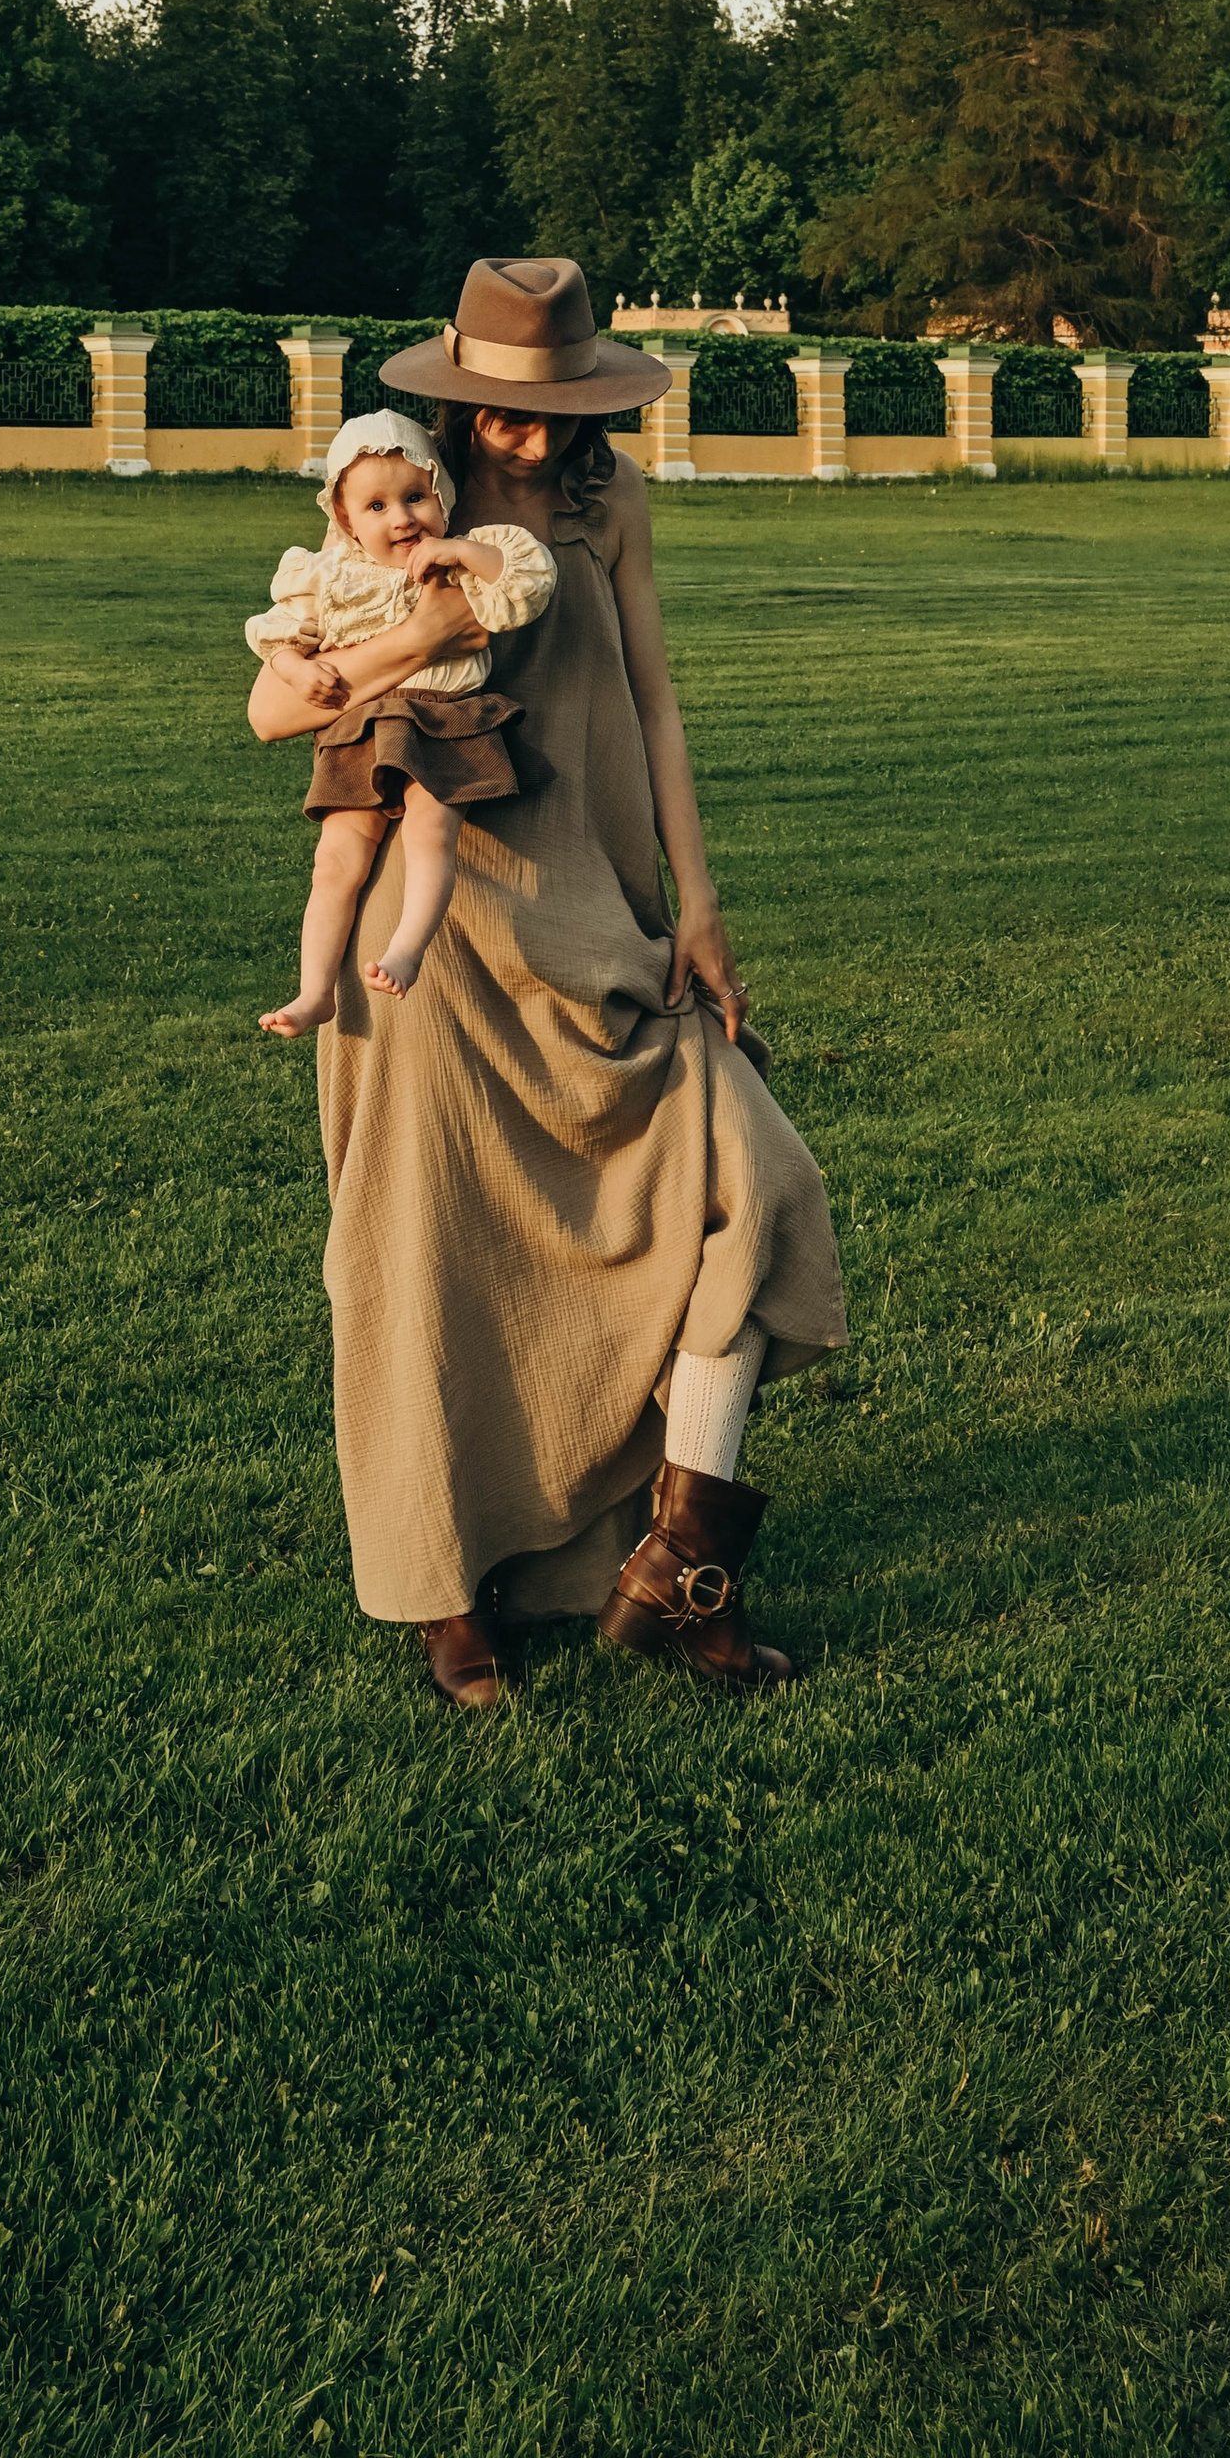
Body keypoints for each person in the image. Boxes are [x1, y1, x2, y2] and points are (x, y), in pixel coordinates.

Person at [248, 255, 847, 1711]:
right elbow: (275, 709)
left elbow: (652, 696)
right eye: (503, 411)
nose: (527, 433)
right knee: (427, 1263)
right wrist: (425, 630)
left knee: (755, 1188)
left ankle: (678, 1564)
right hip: (434, 941)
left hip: (601, 911)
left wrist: (698, 903)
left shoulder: (610, 500)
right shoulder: (395, 505)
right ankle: (449, 1597)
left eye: (552, 408)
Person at [246, 410, 556, 1036]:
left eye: (416, 498)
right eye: (377, 507)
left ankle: (407, 947)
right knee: (336, 860)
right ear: (345, 521)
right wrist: (295, 669)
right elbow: (273, 636)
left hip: (443, 719)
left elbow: (529, 582)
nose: (402, 519)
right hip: (360, 729)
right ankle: (315, 992)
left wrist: (460, 548)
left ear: (442, 496)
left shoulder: (464, 557)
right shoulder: (325, 575)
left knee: (430, 834)